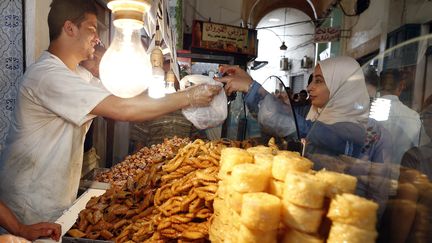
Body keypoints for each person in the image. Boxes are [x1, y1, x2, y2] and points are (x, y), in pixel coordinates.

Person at [0, 0, 221, 225]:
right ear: (69, 28)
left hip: (52, 199)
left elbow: (126, 97)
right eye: (93, 29)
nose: (97, 39)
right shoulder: (47, 76)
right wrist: (188, 97)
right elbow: (122, 109)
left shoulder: (78, 75)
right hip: (28, 206)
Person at [216, 56, 370, 158]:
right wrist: (251, 84)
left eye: (318, 81)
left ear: (342, 85)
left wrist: (252, 87)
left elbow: (300, 127)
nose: (309, 88)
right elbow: (276, 118)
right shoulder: (313, 113)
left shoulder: (355, 131)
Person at [378, 69, 421, 165]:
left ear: (379, 86)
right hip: (399, 174)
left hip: (368, 172)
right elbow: (415, 151)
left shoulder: (367, 111)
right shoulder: (413, 117)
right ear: (401, 86)